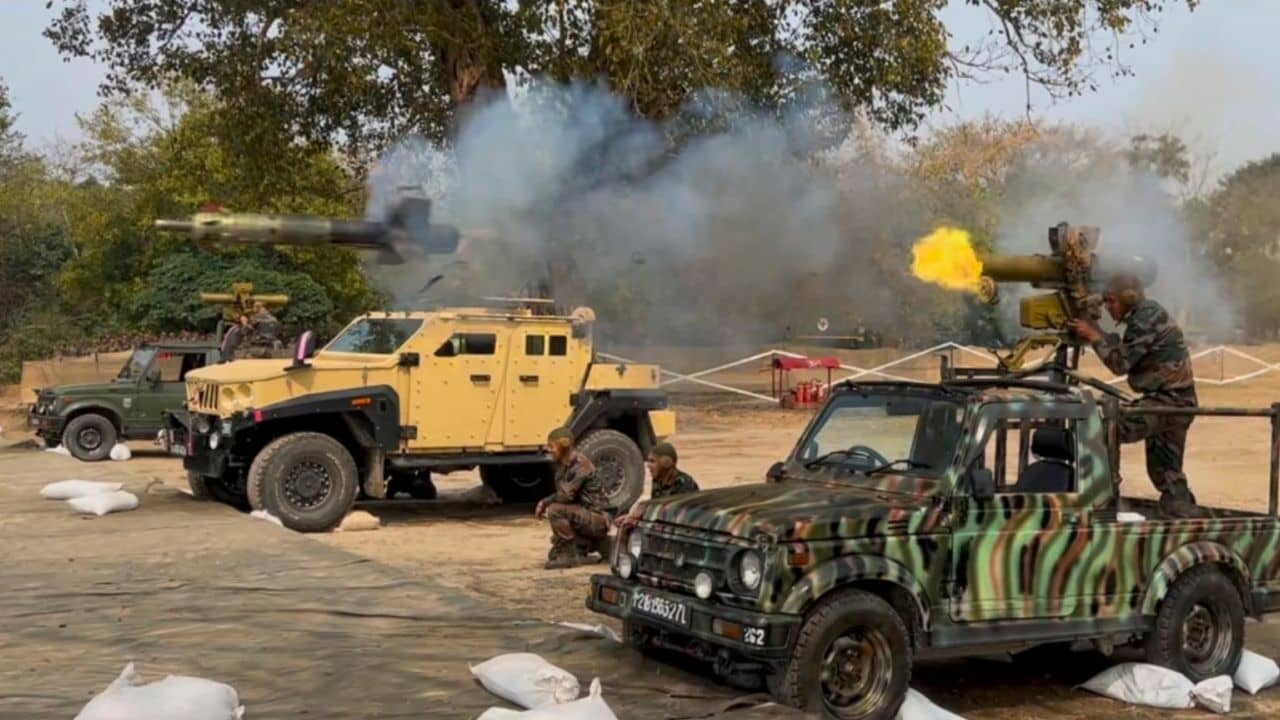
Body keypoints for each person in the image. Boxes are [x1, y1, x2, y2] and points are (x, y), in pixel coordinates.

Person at [1067, 273, 1206, 518]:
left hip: (1168, 402)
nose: (1108, 308)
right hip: (1176, 402)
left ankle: (1104, 499)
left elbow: (1120, 363)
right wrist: (1095, 330)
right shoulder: (1147, 314)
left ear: (1128, 299)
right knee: (1165, 472)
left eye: (1111, 301)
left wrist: (1093, 335)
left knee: (1105, 431)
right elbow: (1122, 349)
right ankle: (1182, 511)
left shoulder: (1145, 318)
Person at [535, 427, 613, 569]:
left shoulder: (581, 464)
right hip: (585, 516)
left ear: (563, 446)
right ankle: (590, 546)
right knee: (554, 554)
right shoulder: (564, 466)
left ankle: (570, 555)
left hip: (597, 519)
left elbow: (565, 496)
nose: (548, 450)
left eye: (552, 446)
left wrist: (545, 502)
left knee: (555, 510)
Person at [614, 442, 699, 529]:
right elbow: (654, 507)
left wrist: (638, 517)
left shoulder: (684, 483)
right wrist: (630, 517)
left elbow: (675, 515)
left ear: (666, 463)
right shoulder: (658, 481)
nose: (648, 465)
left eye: (652, 461)